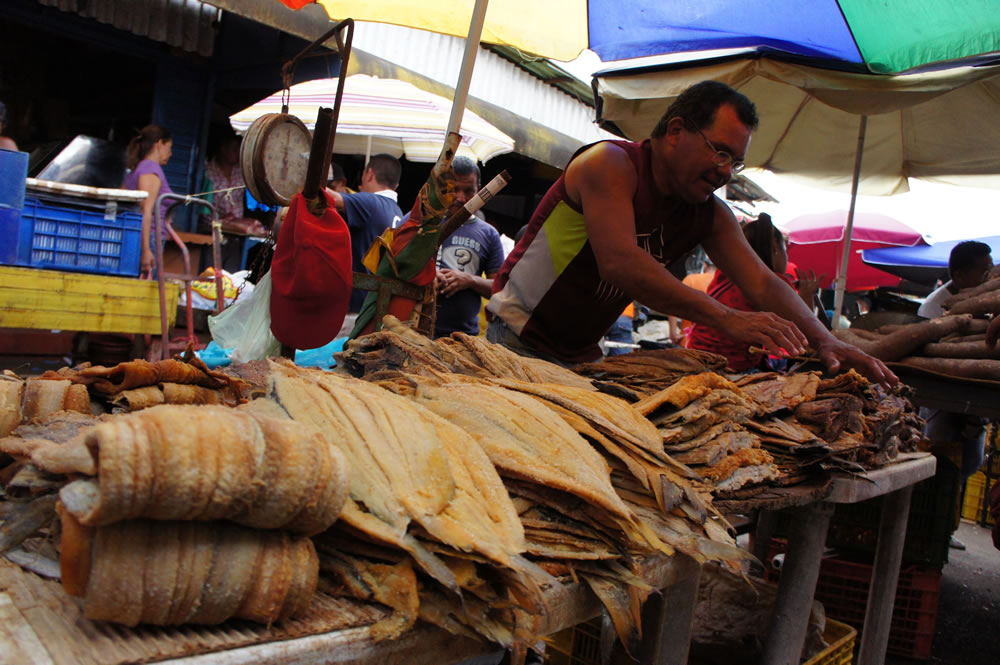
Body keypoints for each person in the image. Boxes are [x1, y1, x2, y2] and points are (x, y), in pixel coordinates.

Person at [486, 80, 895, 387]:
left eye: (735, 163)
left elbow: (764, 282)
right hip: (517, 338)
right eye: (719, 152)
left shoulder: (710, 214)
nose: (724, 171)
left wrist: (825, 340)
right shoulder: (609, 164)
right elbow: (620, 263)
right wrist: (727, 318)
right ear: (676, 131)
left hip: (582, 355)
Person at [916, 240, 994, 549]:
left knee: (968, 462)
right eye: (984, 270)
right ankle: (931, 528)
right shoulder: (933, 307)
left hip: (970, 399)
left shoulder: (979, 303)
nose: (989, 276)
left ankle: (943, 528)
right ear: (960, 276)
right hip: (941, 402)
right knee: (940, 462)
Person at [687, 214, 823, 370]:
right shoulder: (772, 285)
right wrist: (806, 295)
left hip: (695, 357)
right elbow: (805, 336)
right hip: (729, 367)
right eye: (785, 249)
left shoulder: (725, 274)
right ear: (775, 250)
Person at [433, 156, 504, 338]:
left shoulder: (489, 234)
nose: (460, 198)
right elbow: (392, 267)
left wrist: (469, 280)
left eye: (468, 191)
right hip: (415, 332)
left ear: (478, 190)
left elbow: (500, 290)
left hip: (463, 339)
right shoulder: (421, 222)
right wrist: (427, 277)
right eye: (454, 189)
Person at [326, 153, 403, 312]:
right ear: (396, 185)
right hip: (377, 304)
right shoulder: (398, 212)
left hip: (356, 306)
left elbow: (328, 197)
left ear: (370, 175)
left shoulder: (370, 202)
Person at [123, 125, 174, 274]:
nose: (170, 153)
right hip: (148, 238)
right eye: (169, 147)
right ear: (159, 144)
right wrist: (145, 250)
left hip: (138, 236)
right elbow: (145, 210)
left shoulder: (138, 169)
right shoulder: (150, 169)